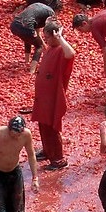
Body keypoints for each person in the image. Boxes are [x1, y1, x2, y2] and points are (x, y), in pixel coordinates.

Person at [32, 20, 76, 169]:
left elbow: (71, 54)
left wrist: (61, 37)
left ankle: (58, 159)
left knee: (52, 126)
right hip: (44, 96)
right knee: (43, 123)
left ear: (55, 37)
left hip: (53, 96)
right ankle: (47, 151)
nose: (46, 40)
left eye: (48, 37)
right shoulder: (51, 48)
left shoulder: (61, 50)